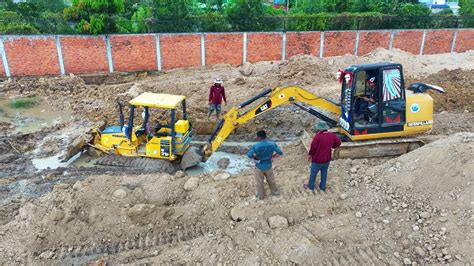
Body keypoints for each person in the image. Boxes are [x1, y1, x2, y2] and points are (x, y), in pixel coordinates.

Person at [304, 121, 341, 192]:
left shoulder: (318, 137)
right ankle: (322, 186)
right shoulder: (332, 135)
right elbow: (338, 143)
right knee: (324, 173)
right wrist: (332, 146)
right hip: (327, 159)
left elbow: (313, 148)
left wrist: (310, 154)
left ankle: (311, 186)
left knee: (313, 173)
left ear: (320, 129)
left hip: (317, 160)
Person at [247, 130, 283, 200]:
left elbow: (249, 155)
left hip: (259, 167)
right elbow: (280, 152)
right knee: (271, 180)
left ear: (258, 137)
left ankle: (261, 196)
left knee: (260, 182)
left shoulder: (256, 146)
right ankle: (275, 192)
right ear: (265, 136)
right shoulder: (272, 144)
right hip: (268, 165)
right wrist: (273, 156)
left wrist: (255, 157)